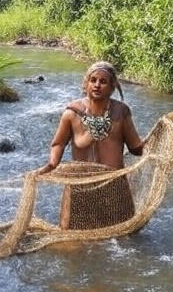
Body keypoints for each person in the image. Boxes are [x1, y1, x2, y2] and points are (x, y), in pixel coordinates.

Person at [38, 62, 145, 229]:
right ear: (86, 83)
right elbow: (58, 143)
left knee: (122, 238)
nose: (97, 85)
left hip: (113, 186)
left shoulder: (121, 112)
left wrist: (149, 144)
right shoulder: (71, 113)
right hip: (81, 186)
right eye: (93, 80)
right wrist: (53, 163)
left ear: (112, 87)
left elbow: (135, 149)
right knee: (73, 239)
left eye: (103, 82)